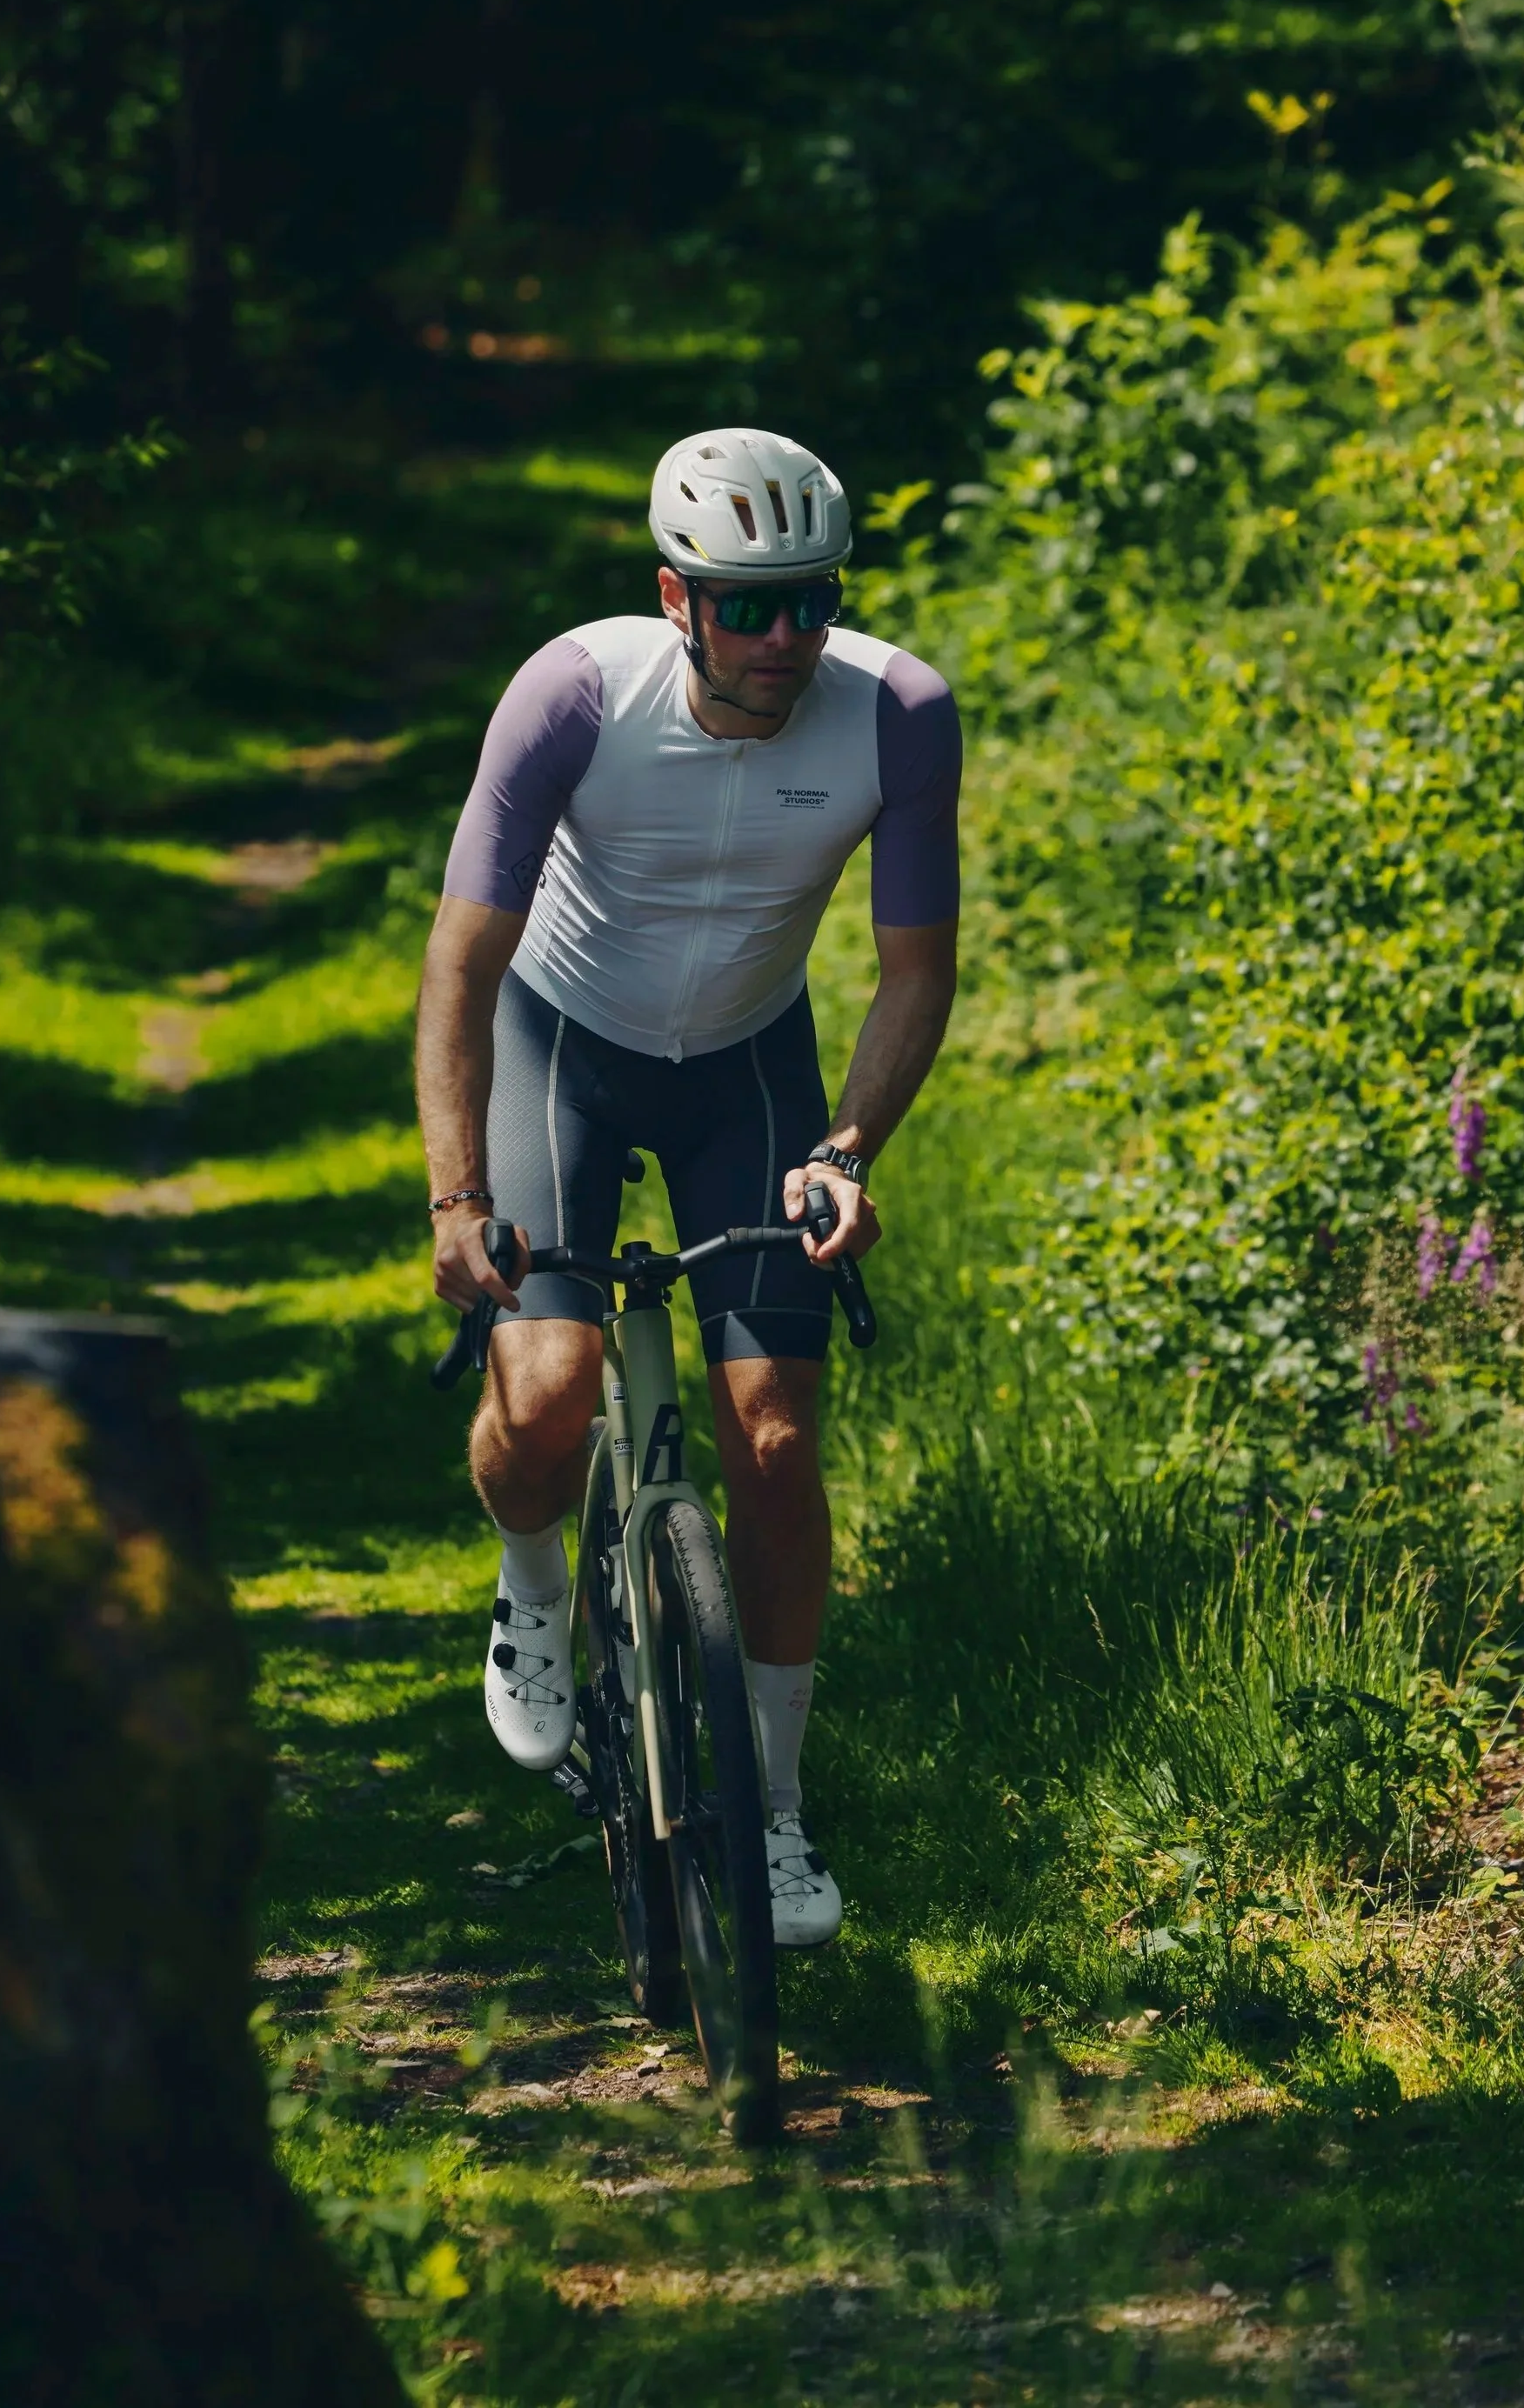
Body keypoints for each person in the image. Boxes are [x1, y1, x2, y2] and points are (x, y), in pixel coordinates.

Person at [416, 426, 960, 1948]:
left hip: (750, 1067)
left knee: (774, 1440)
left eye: (813, 599)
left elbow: (917, 972)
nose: (787, 636)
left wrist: (846, 1149)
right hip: (562, 1046)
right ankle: (536, 1582)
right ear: (678, 596)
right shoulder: (575, 694)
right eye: (749, 604)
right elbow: (463, 962)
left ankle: (774, 1813)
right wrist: (457, 1197)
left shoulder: (898, 714)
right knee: (543, 1396)